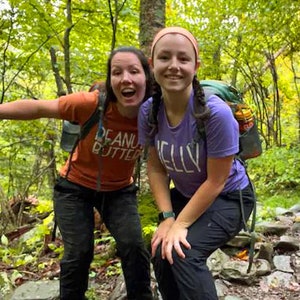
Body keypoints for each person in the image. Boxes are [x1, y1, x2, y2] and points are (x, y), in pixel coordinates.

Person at [0, 46, 153, 300]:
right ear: (110, 80)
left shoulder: (154, 110)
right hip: (74, 188)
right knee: (80, 251)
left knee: (134, 246)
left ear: (146, 77)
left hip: (119, 190)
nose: (125, 78)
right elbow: (38, 108)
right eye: (117, 72)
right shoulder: (90, 104)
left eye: (134, 71)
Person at [138, 27, 256, 300]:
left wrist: (180, 225)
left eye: (183, 58)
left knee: (183, 253)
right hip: (186, 194)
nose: (174, 66)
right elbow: (156, 168)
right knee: (160, 249)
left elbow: (215, 181)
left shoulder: (215, 114)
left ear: (196, 66)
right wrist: (168, 218)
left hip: (229, 197)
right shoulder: (149, 111)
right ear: (152, 64)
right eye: (165, 58)